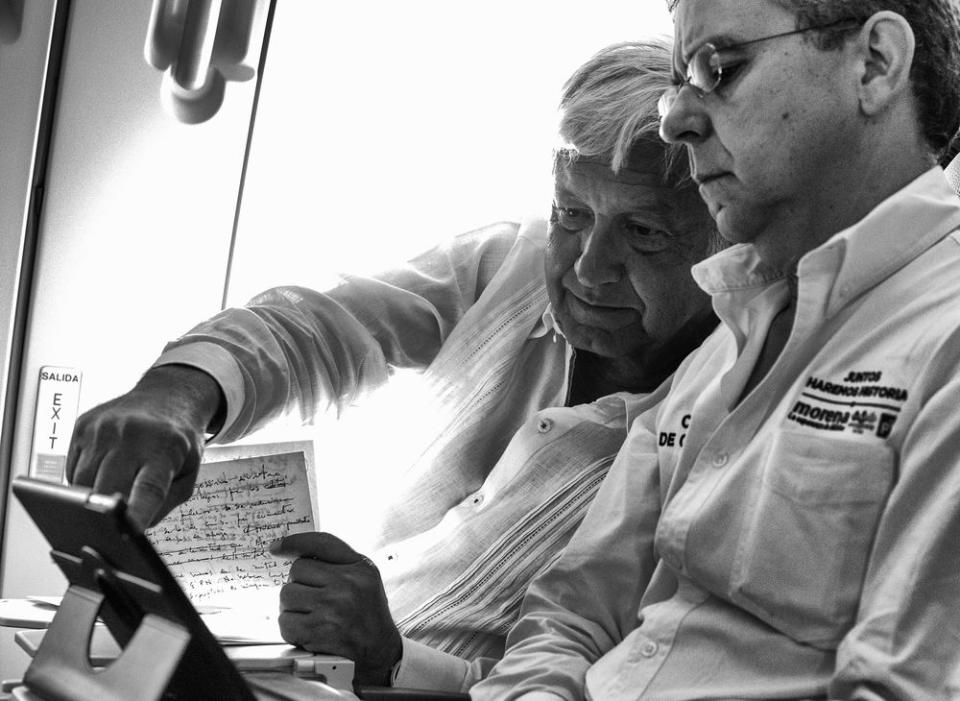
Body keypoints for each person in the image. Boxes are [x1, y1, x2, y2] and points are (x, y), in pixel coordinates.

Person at [66, 39, 721, 688]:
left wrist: (393, 659)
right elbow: (315, 330)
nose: (587, 265)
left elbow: (603, 681)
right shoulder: (506, 262)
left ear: (725, 232)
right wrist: (179, 394)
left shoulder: (724, 423)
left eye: (643, 234)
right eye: (571, 212)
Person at [471, 0, 960, 699]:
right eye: (680, 81)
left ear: (876, 63)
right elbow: (569, 614)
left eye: (719, 68)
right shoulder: (733, 324)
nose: (673, 121)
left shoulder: (944, 337)